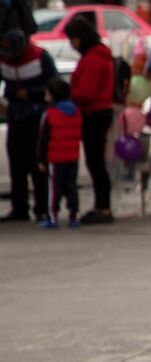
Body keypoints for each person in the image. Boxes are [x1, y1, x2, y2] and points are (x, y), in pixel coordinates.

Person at [1, 29, 57, 222]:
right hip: (15, 116)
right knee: (17, 164)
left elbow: (55, 84)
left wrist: (34, 92)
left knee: (37, 164)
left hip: (36, 118)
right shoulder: (4, 59)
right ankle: (19, 207)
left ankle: (42, 208)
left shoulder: (41, 57)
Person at [64, 14, 115, 224]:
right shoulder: (98, 56)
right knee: (96, 163)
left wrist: (70, 92)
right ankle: (101, 205)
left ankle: (103, 207)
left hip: (94, 114)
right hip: (98, 113)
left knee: (96, 163)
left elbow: (87, 92)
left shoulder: (93, 58)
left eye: (73, 39)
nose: (72, 44)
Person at [36, 78, 81, 228]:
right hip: (72, 156)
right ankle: (74, 216)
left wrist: (41, 159)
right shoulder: (76, 112)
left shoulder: (49, 114)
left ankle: (52, 217)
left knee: (54, 189)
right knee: (71, 187)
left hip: (55, 158)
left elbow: (43, 138)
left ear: (52, 95)